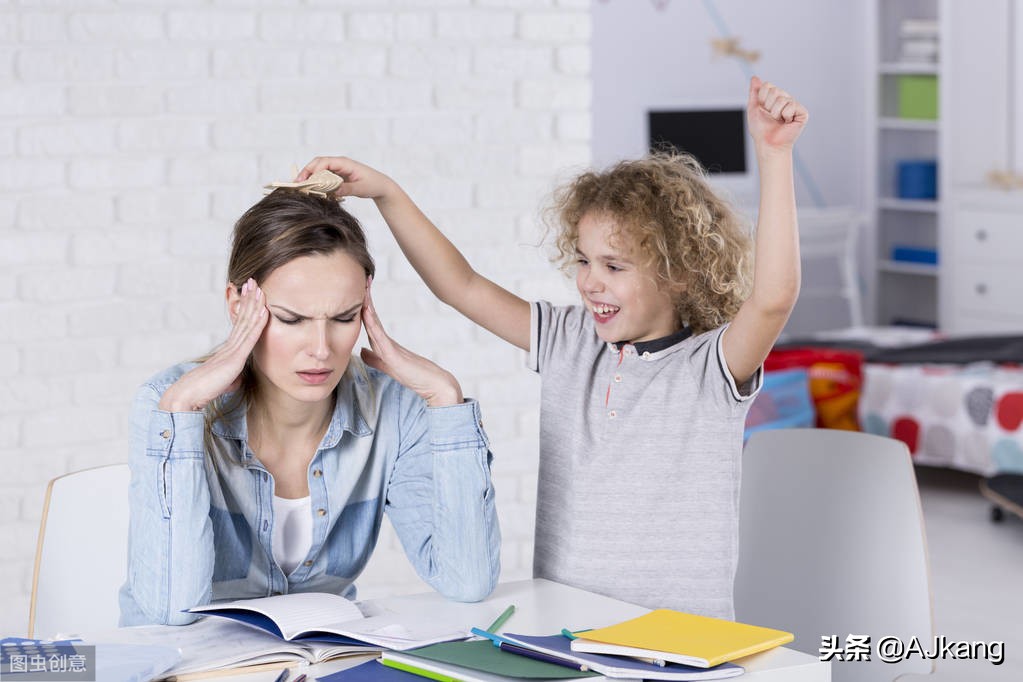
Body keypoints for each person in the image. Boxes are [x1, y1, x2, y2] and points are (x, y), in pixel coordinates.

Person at [297, 77, 807, 619]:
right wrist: (386, 193)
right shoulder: (571, 340)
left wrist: (774, 157)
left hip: (681, 643)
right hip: (568, 630)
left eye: (614, 266)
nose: (591, 282)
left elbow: (773, 300)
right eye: (584, 261)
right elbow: (460, 286)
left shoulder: (710, 368)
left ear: (678, 274)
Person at [119, 186, 501, 626]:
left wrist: (446, 400)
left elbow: (467, 581)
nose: (321, 350)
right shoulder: (169, 404)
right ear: (238, 305)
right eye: (291, 319)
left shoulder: (395, 410)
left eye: (343, 318)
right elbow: (171, 609)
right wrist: (182, 410)